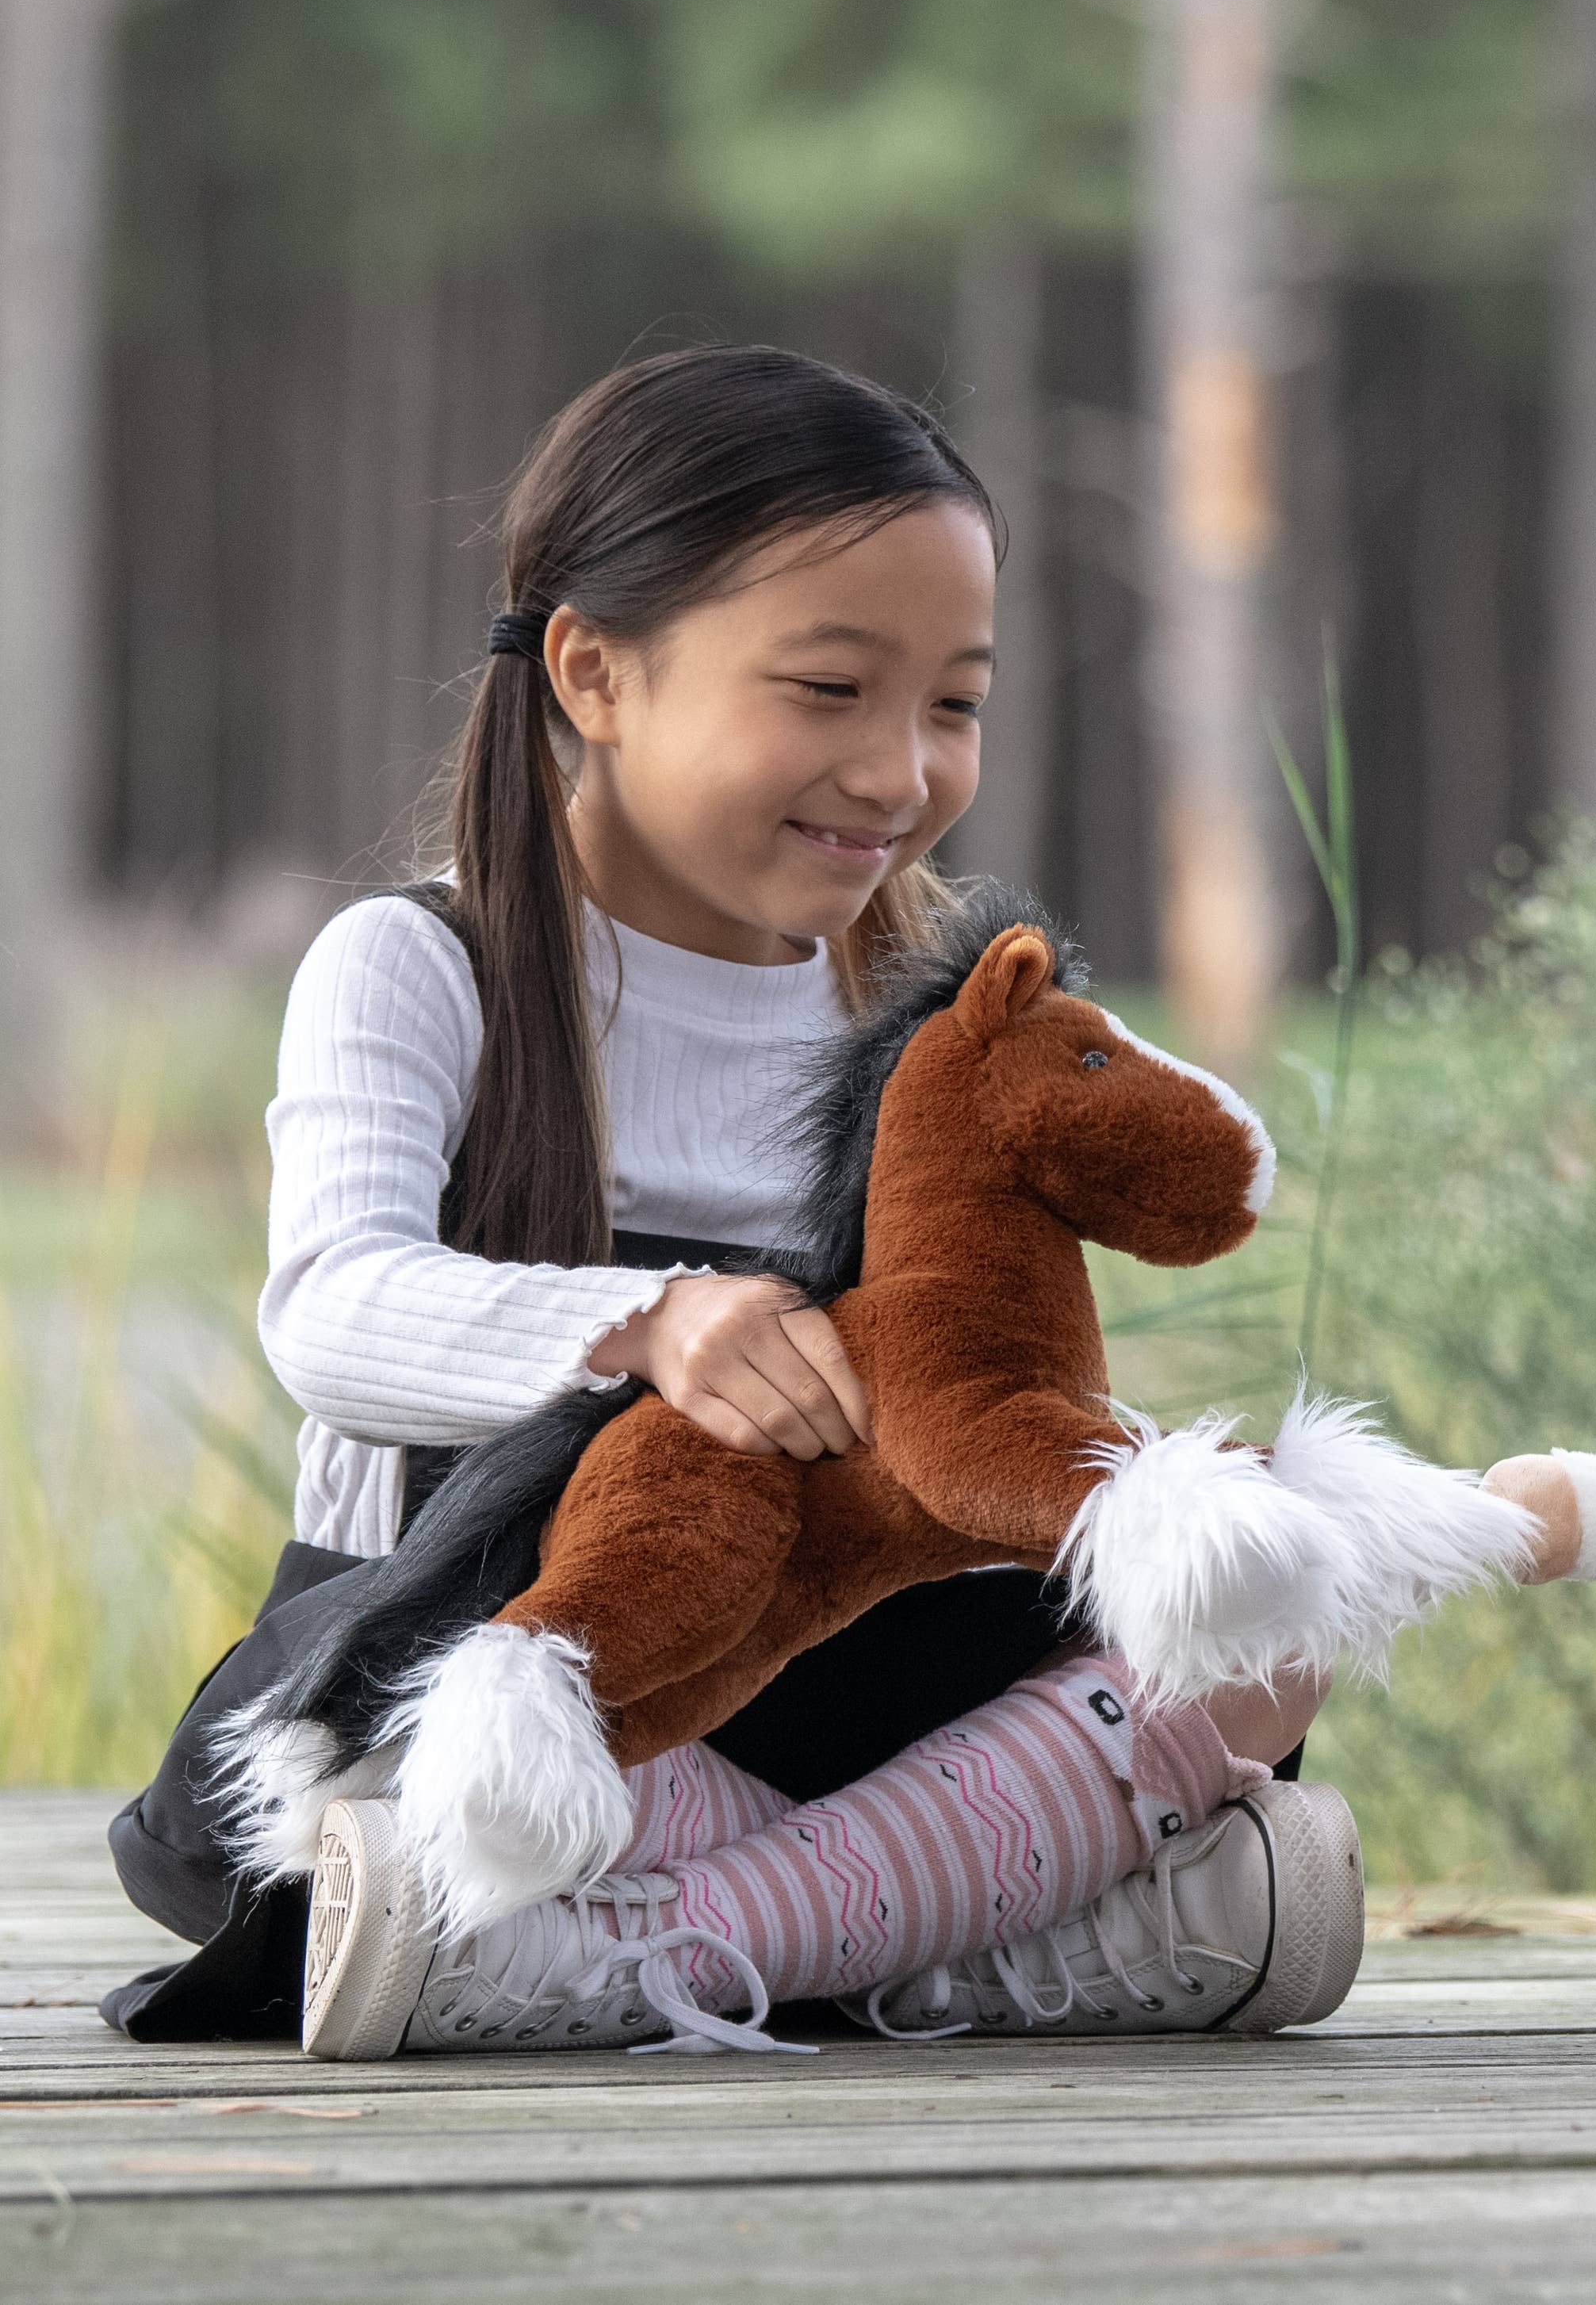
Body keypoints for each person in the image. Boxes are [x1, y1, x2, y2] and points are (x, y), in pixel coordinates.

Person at [112, 344, 1360, 2058]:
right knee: (437, 1758)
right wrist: (650, 1320)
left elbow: (977, 1365)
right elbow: (332, 1308)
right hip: (508, 1639)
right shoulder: (424, 965)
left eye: (955, 703)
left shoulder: (930, 1009)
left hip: (836, 1655)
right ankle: (965, 1924)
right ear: (596, 671)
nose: (900, 771)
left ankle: (689, 1945)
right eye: (829, 689)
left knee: (1267, 1610)